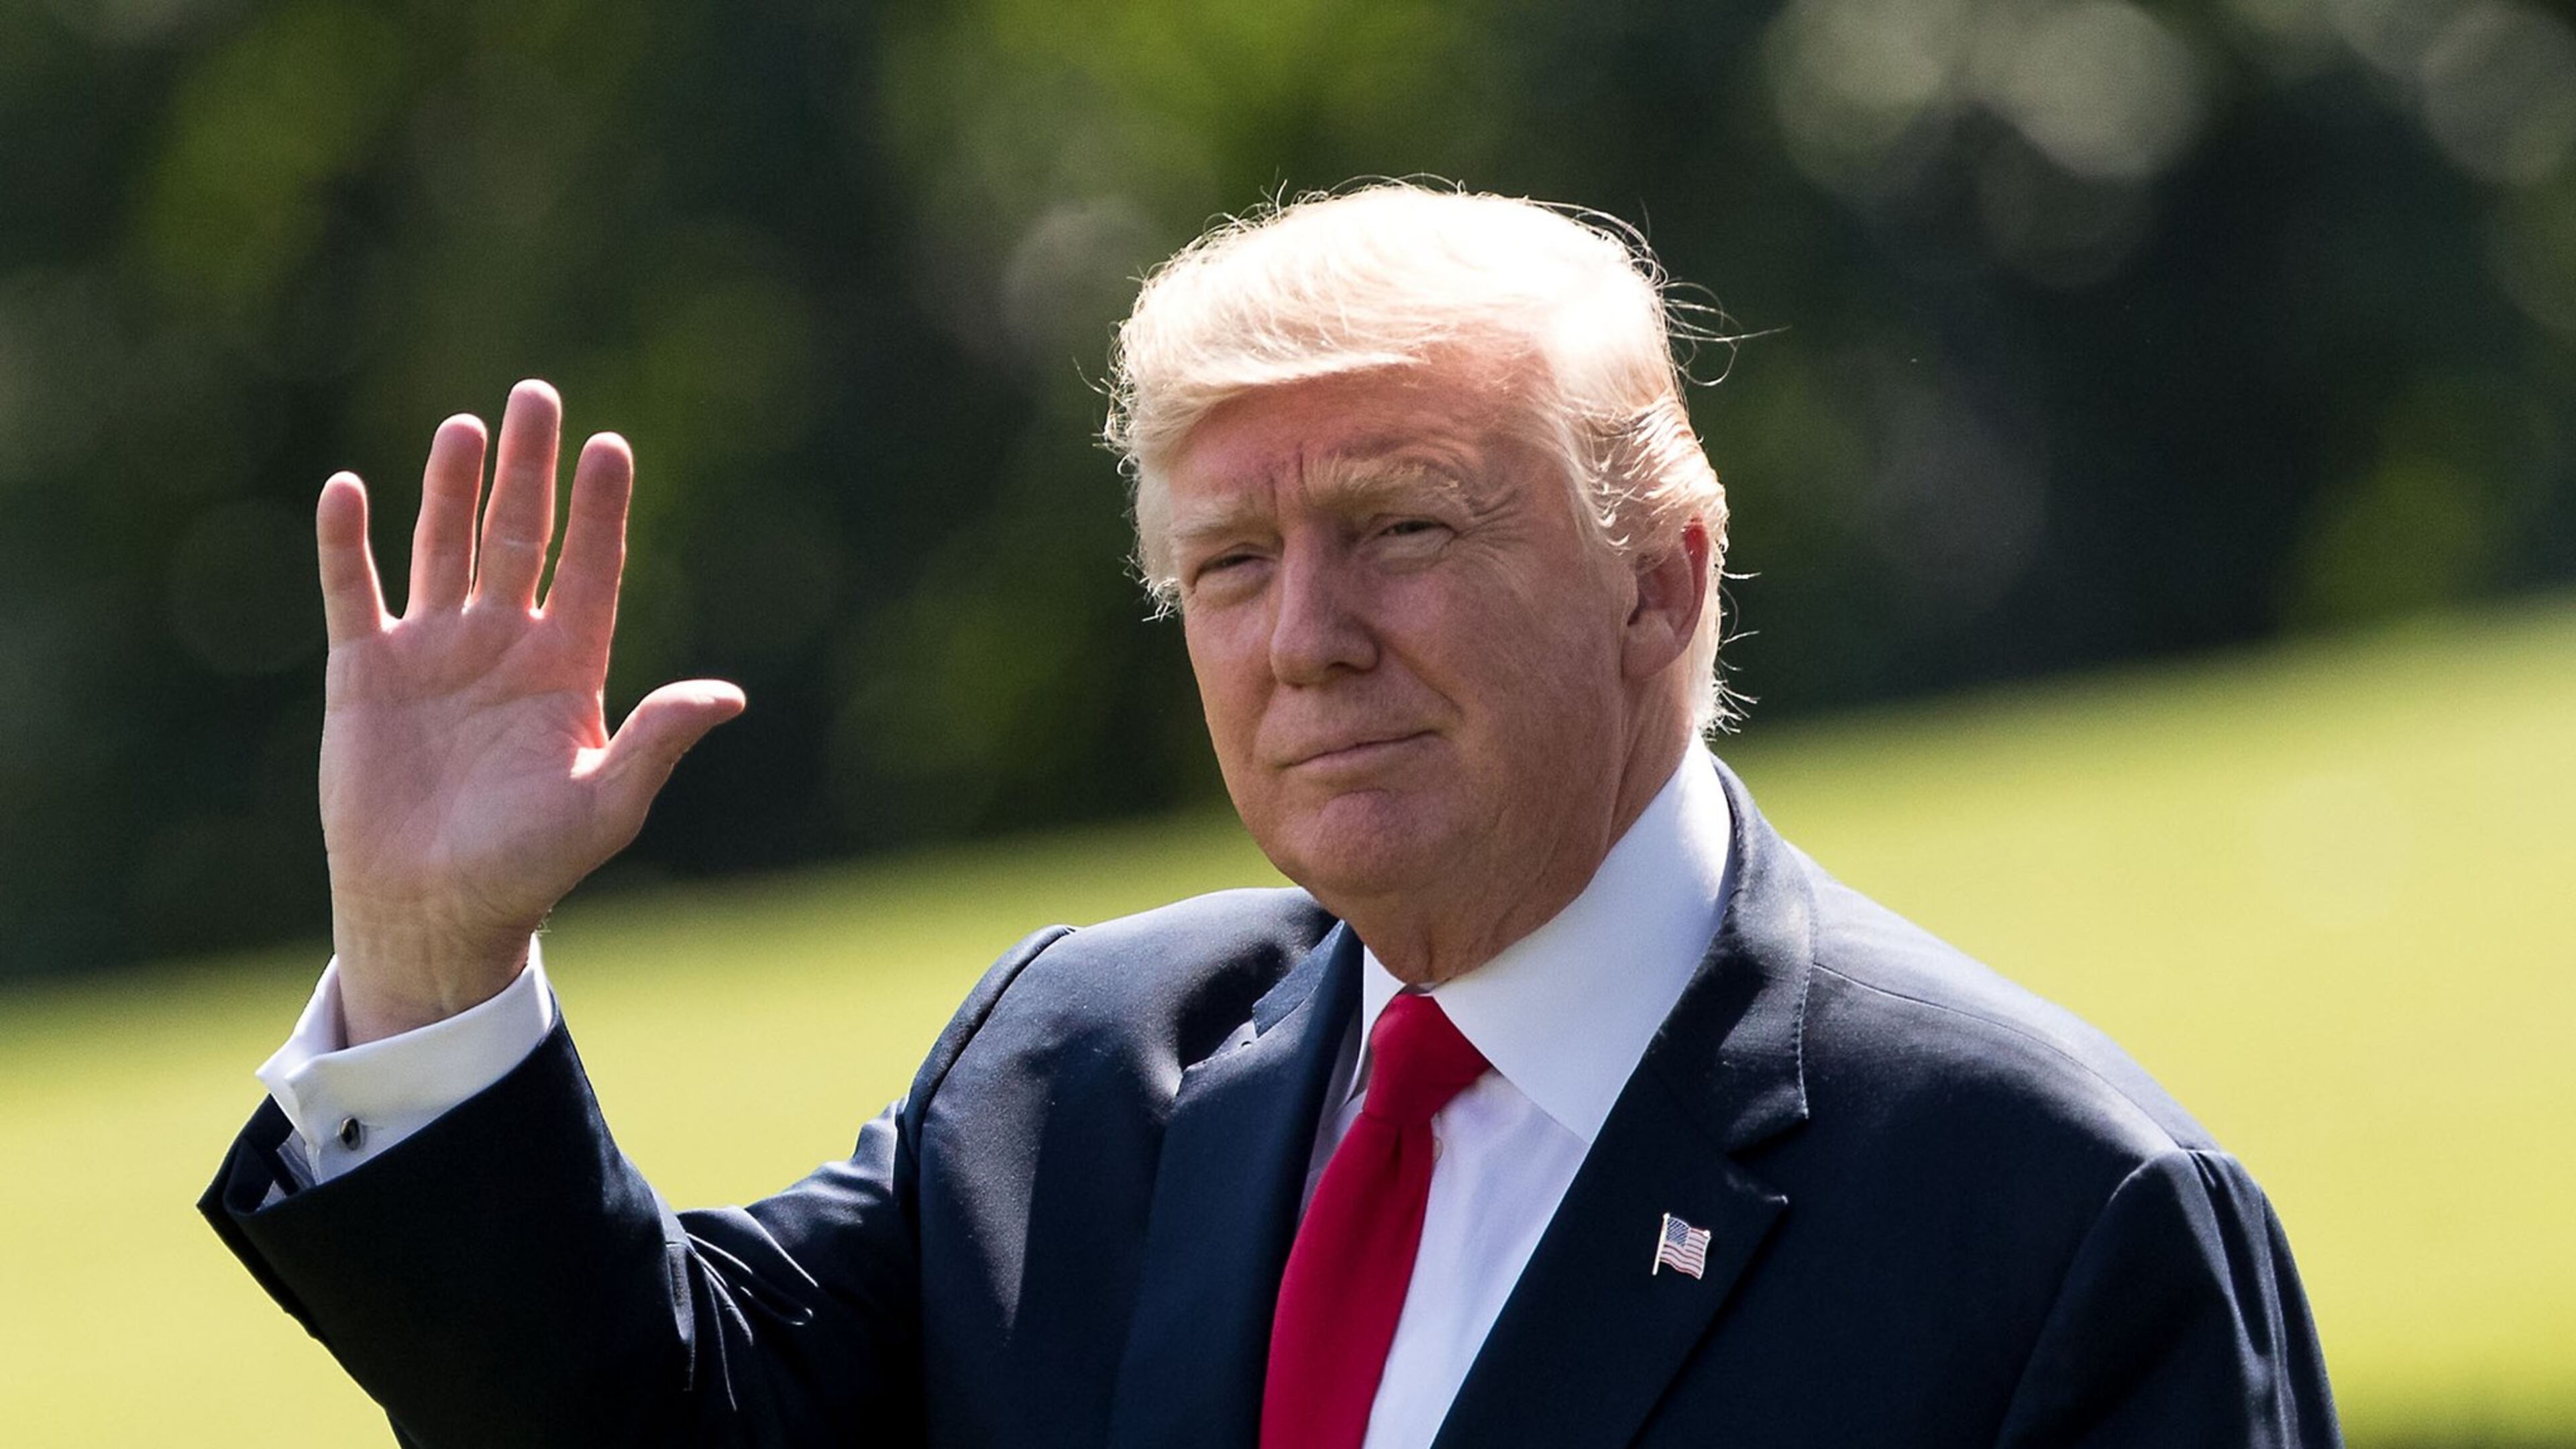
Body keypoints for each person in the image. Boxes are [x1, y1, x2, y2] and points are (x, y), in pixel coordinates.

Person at [202, 184, 2341, 1448]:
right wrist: (431, 952)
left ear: (1660, 580)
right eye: (1231, 563)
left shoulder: (2056, 1214)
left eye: (1405, 526)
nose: (1303, 635)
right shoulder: (1070, 1076)